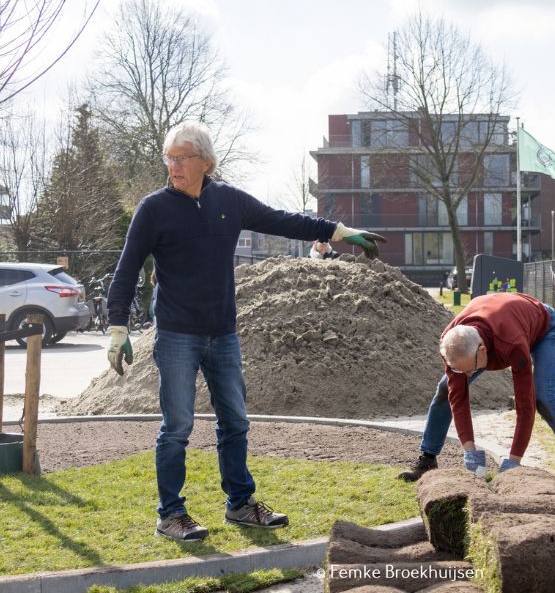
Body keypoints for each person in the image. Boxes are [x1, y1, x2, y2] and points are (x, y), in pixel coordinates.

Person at [106, 121, 386, 543]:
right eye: (170, 157)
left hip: (223, 333)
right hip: (177, 334)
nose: (173, 166)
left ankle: (240, 504)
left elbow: (283, 220)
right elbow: (126, 268)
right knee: (177, 427)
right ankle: (171, 514)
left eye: (182, 158)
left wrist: (338, 231)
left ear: (206, 162)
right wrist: (117, 326)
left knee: (235, 421)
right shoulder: (153, 209)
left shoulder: (228, 201)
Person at [398, 292, 555, 497]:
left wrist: (513, 461)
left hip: (543, 326)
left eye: (470, 369)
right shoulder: (452, 343)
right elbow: (458, 397)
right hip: (503, 319)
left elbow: (525, 406)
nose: (468, 375)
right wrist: (469, 449)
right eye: (461, 370)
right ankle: (427, 459)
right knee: (446, 388)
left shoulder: (512, 344)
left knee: (544, 399)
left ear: (482, 351)